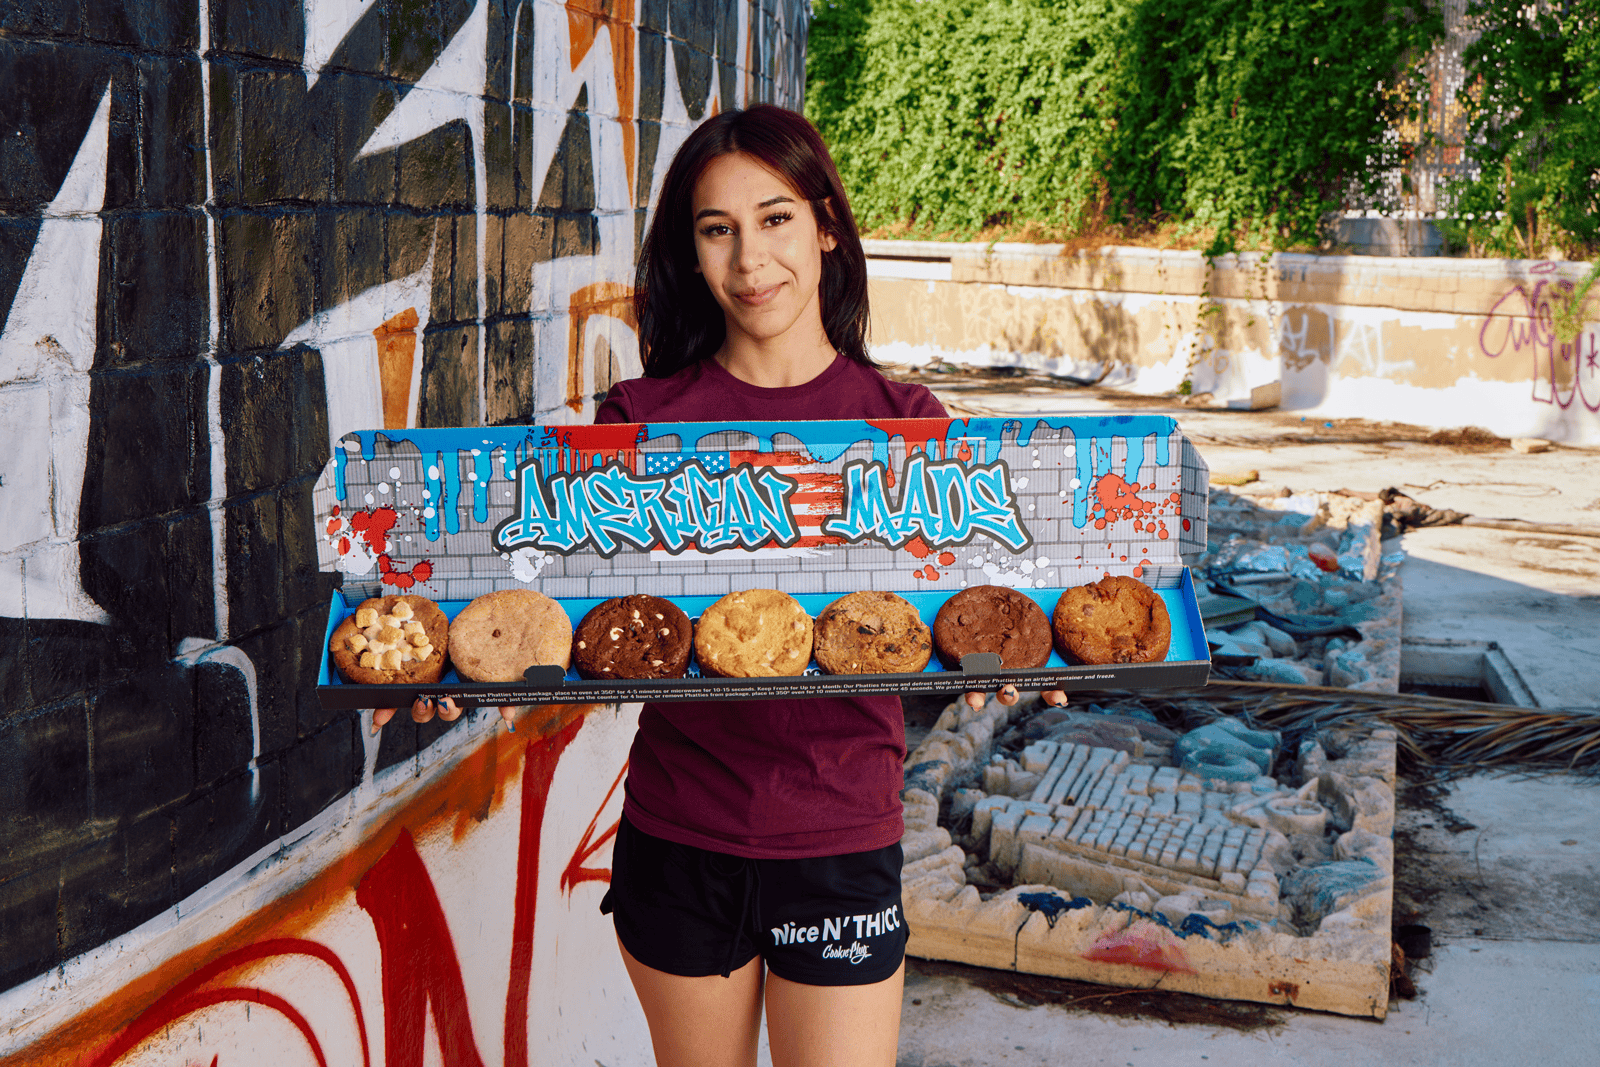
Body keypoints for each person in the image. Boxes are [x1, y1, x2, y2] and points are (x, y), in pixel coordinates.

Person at [378, 105, 1064, 1067]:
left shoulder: (909, 427)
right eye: (717, 229)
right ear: (690, 253)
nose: (751, 260)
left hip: (839, 841)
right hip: (680, 840)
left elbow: (959, 622)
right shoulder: (638, 425)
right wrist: (455, 668)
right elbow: (547, 612)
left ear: (826, 225)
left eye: (775, 218)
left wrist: (997, 662)